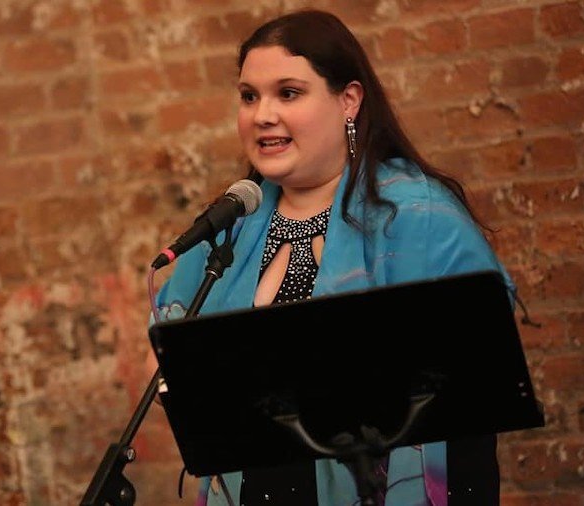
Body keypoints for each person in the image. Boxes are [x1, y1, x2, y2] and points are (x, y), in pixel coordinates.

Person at [151, 8, 515, 506]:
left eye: (289, 93)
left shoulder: (419, 219)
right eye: (249, 96)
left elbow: (477, 384)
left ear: (348, 100)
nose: (262, 114)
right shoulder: (226, 236)